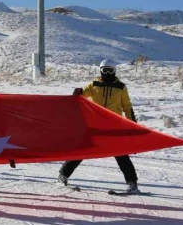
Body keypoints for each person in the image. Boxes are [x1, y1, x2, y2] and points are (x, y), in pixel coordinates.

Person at [60, 59, 140, 193]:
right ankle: (63, 176)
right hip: (96, 125)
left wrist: (133, 124)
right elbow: (82, 94)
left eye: (110, 70)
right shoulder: (94, 84)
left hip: (114, 126)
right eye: (105, 70)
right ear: (100, 71)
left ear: (114, 71)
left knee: (121, 154)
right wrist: (78, 91)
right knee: (83, 150)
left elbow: (127, 106)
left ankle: (132, 183)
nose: (108, 73)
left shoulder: (121, 87)